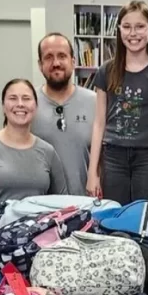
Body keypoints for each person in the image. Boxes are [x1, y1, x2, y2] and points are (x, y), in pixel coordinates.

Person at [87, 0, 148, 204]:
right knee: (114, 213)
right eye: (127, 26)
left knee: (142, 215)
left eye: (140, 26)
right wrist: (92, 173)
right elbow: (99, 123)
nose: (133, 33)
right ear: (119, 30)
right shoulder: (106, 71)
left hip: (147, 158)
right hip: (113, 156)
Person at [0, 78, 67, 226]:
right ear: (3, 107)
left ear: (35, 106)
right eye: (13, 98)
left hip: (38, 235)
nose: (20, 104)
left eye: (26, 98)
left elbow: (62, 202)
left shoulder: (48, 151)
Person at [31, 33, 96, 195]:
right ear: (40, 65)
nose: (56, 63)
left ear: (73, 61)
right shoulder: (28, 103)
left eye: (62, 56)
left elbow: (104, 153)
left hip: (85, 202)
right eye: (48, 57)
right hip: (39, 203)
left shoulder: (94, 102)